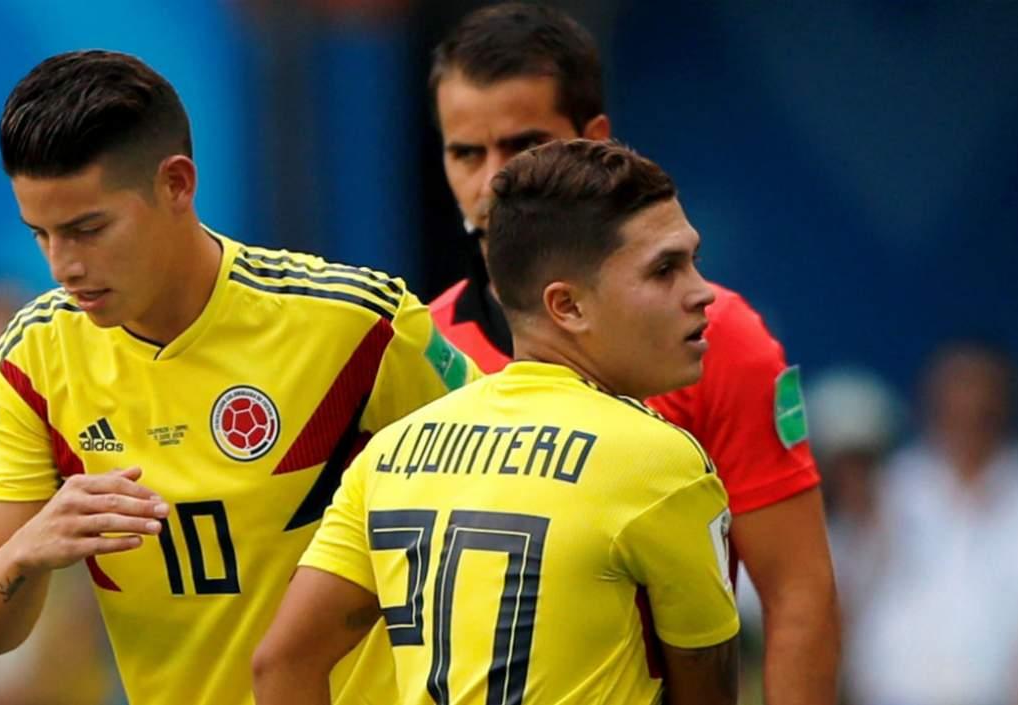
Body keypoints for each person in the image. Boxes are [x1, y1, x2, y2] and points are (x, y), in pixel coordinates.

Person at [0, 50, 476, 705]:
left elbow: (514, 496)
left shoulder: (358, 325)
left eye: (88, 228)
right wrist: (25, 550)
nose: (64, 266)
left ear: (177, 184)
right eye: (41, 235)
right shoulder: (33, 360)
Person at [423, 4, 837, 702]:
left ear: (593, 139)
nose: (493, 179)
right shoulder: (419, 345)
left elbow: (799, 594)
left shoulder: (714, 333)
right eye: (466, 151)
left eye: (523, 143)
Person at [254, 139, 740, 705]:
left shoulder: (390, 452)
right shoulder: (659, 463)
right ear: (567, 306)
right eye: (665, 270)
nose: (702, 292)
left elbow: (280, 665)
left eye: (692, 260)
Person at [848, 342, 1018, 705]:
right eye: (955, 396)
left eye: (983, 402)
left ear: (1009, 405)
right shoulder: (892, 488)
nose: (969, 411)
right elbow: (852, 596)